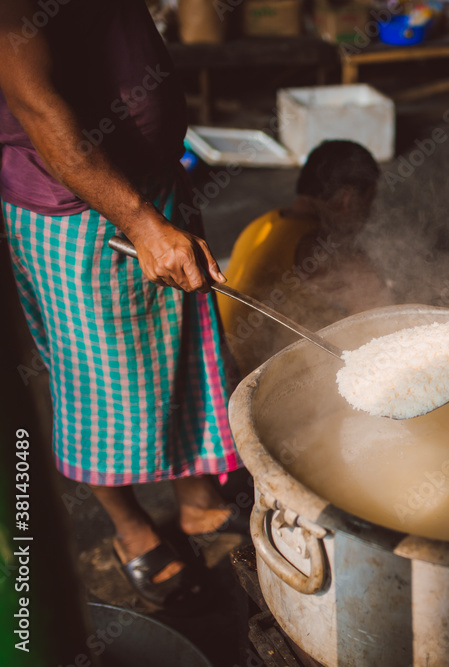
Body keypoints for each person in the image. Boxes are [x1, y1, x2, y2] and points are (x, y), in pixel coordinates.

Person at [1, 0, 243, 609]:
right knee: (97, 380)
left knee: (181, 355)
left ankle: (197, 504)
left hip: (149, 187)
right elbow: (37, 104)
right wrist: (138, 221)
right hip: (78, 208)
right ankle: (131, 529)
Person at [220, 140, 390, 375]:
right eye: (368, 203)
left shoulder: (262, 224)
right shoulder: (321, 248)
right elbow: (383, 321)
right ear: (348, 198)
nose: (367, 216)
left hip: (220, 365)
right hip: (255, 382)